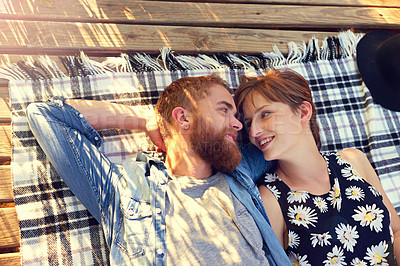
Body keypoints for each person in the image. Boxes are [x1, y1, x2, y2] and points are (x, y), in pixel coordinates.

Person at [26, 74, 291, 265]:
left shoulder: (240, 170)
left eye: (236, 116)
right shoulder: (126, 190)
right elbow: (46, 115)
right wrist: (146, 119)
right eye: (224, 111)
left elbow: (292, 138)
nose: (238, 125)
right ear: (183, 117)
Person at [234, 69, 400, 265]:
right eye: (248, 122)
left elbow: (396, 231)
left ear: (303, 112)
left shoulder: (354, 161)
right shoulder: (271, 200)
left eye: (266, 114)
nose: (254, 131)